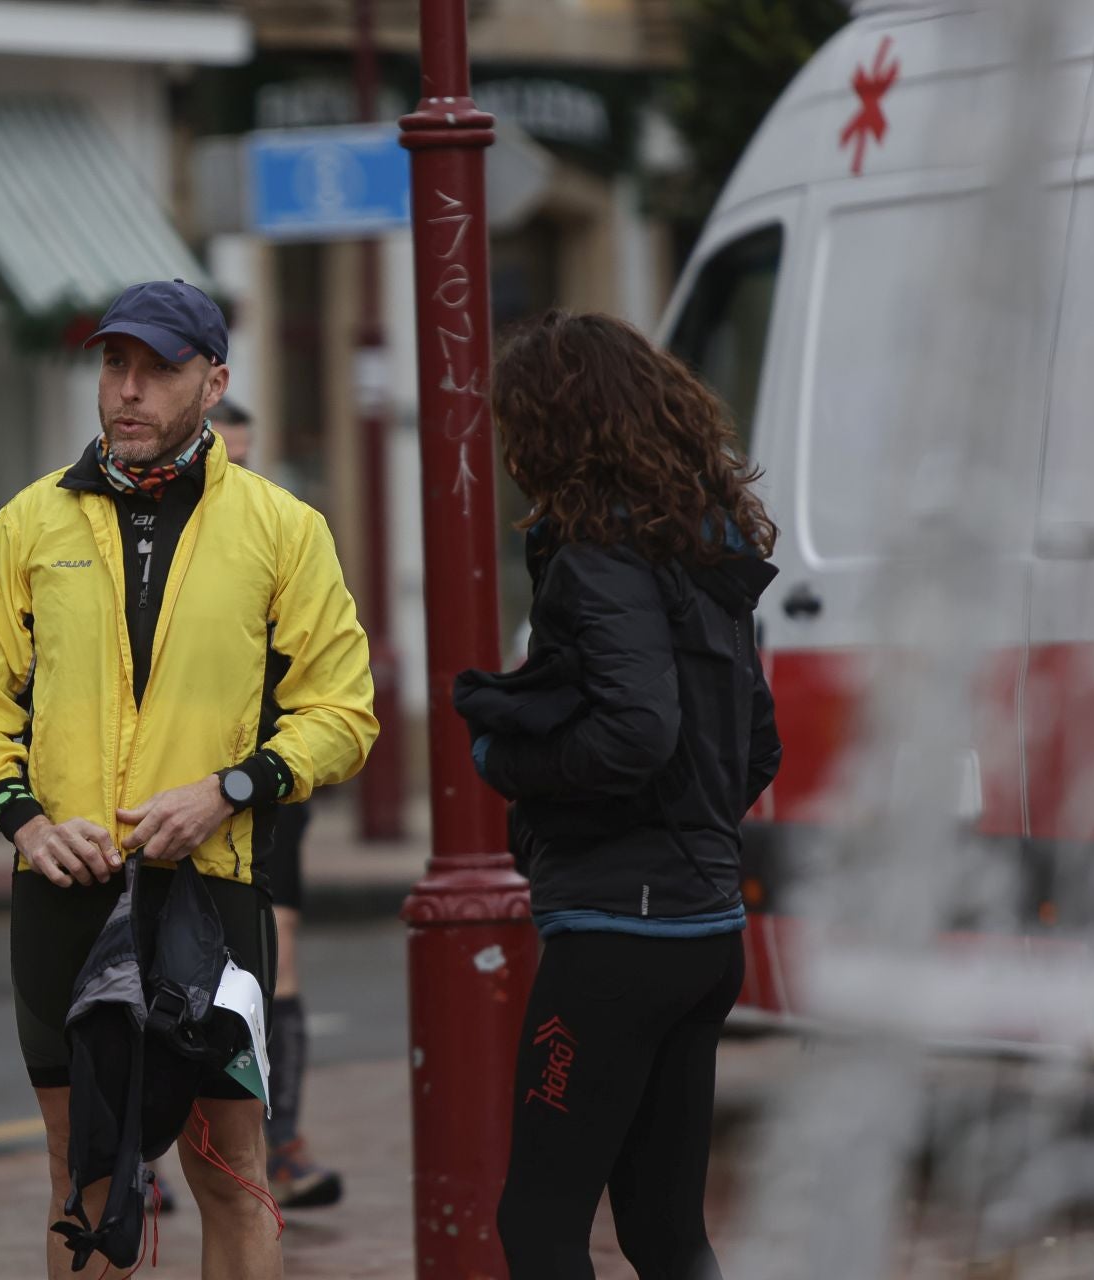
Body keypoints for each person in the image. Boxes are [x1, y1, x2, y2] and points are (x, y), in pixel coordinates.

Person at [0, 279, 379, 1280]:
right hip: (62, 891)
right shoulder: (27, 524)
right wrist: (24, 821)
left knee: (231, 1172)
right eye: (113, 364)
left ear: (214, 381)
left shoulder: (282, 527)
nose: (127, 389)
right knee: (81, 1174)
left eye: (158, 368)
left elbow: (343, 711)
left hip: (211, 893)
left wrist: (229, 787)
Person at [462, 311, 781, 1280]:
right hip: (703, 926)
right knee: (665, 1232)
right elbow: (756, 741)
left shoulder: (598, 557)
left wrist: (509, 766)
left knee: (540, 1225)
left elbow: (638, 731)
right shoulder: (701, 550)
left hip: (617, 940)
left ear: (558, 427)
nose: (513, 450)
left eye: (518, 423)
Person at [206, 398, 344, 1211]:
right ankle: (142, 1158)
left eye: (247, 455)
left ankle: (279, 1143)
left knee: (276, 965)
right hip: (162, 790)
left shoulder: (281, 536)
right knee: (140, 969)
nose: (238, 470)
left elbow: (324, 680)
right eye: (228, 454)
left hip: (269, 787)